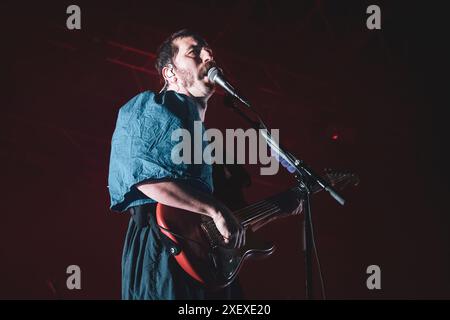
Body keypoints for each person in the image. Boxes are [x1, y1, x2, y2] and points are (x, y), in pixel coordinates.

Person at [108, 29, 302, 300]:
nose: (208, 55)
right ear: (170, 73)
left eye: (209, 50)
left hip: (206, 265)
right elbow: (142, 176)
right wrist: (215, 209)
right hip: (163, 253)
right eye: (194, 52)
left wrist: (279, 209)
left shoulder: (208, 144)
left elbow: (223, 225)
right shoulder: (150, 105)